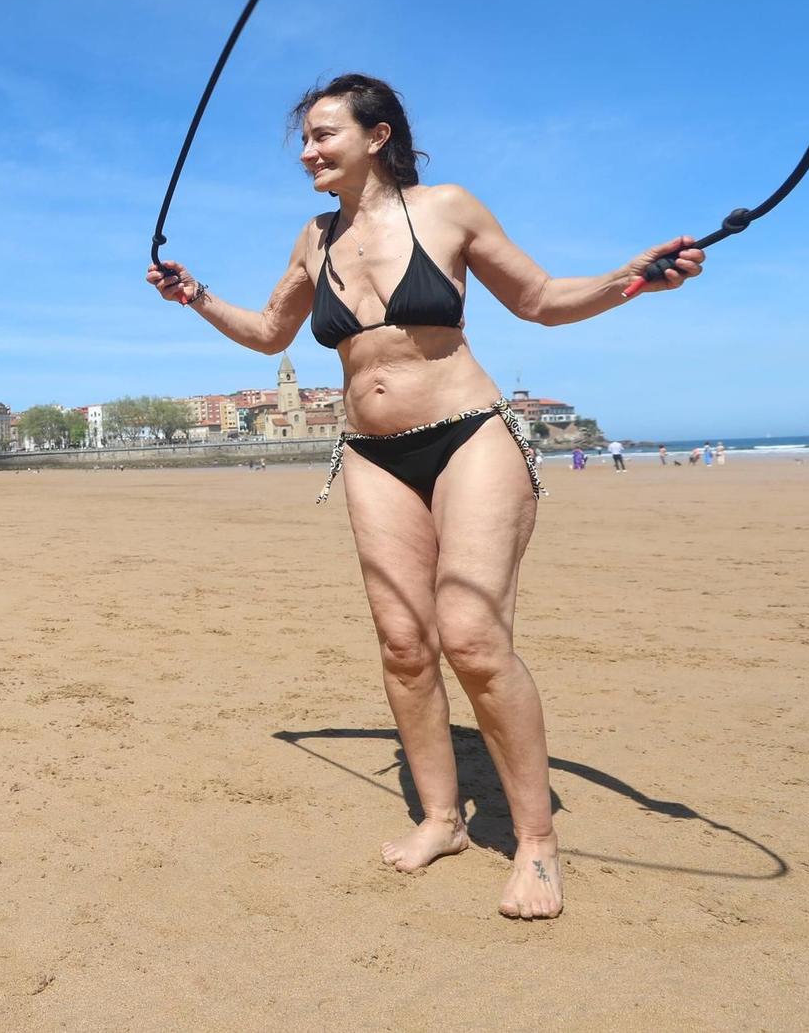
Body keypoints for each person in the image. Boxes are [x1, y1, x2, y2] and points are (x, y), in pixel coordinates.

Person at [147, 74, 703, 921]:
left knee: (473, 639)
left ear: (377, 136)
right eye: (303, 138)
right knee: (406, 646)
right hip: (371, 454)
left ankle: (538, 842)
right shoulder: (314, 237)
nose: (306, 151)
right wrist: (195, 296)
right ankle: (442, 817)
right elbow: (270, 334)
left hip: (469, 431)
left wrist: (632, 279)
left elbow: (541, 300)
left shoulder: (447, 208)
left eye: (323, 134)